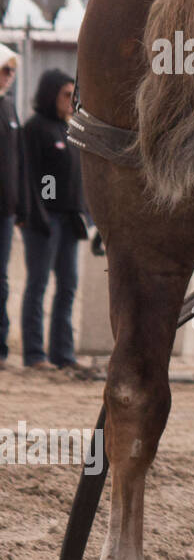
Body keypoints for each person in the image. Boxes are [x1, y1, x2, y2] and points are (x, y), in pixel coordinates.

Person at [21, 68, 88, 370]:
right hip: (46, 222)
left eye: (73, 94)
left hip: (70, 221)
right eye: (65, 94)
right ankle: (35, 354)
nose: (70, 100)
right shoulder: (37, 129)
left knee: (69, 286)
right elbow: (35, 176)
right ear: (50, 94)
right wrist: (42, 211)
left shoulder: (69, 129)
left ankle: (63, 354)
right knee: (38, 284)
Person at [0, 44, 28, 366]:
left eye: (12, 71)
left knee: (3, 281)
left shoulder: (9, 109)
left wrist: (25, 208)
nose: (9, 77)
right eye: (5, 70)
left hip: (6, 213)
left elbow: (20, 162)